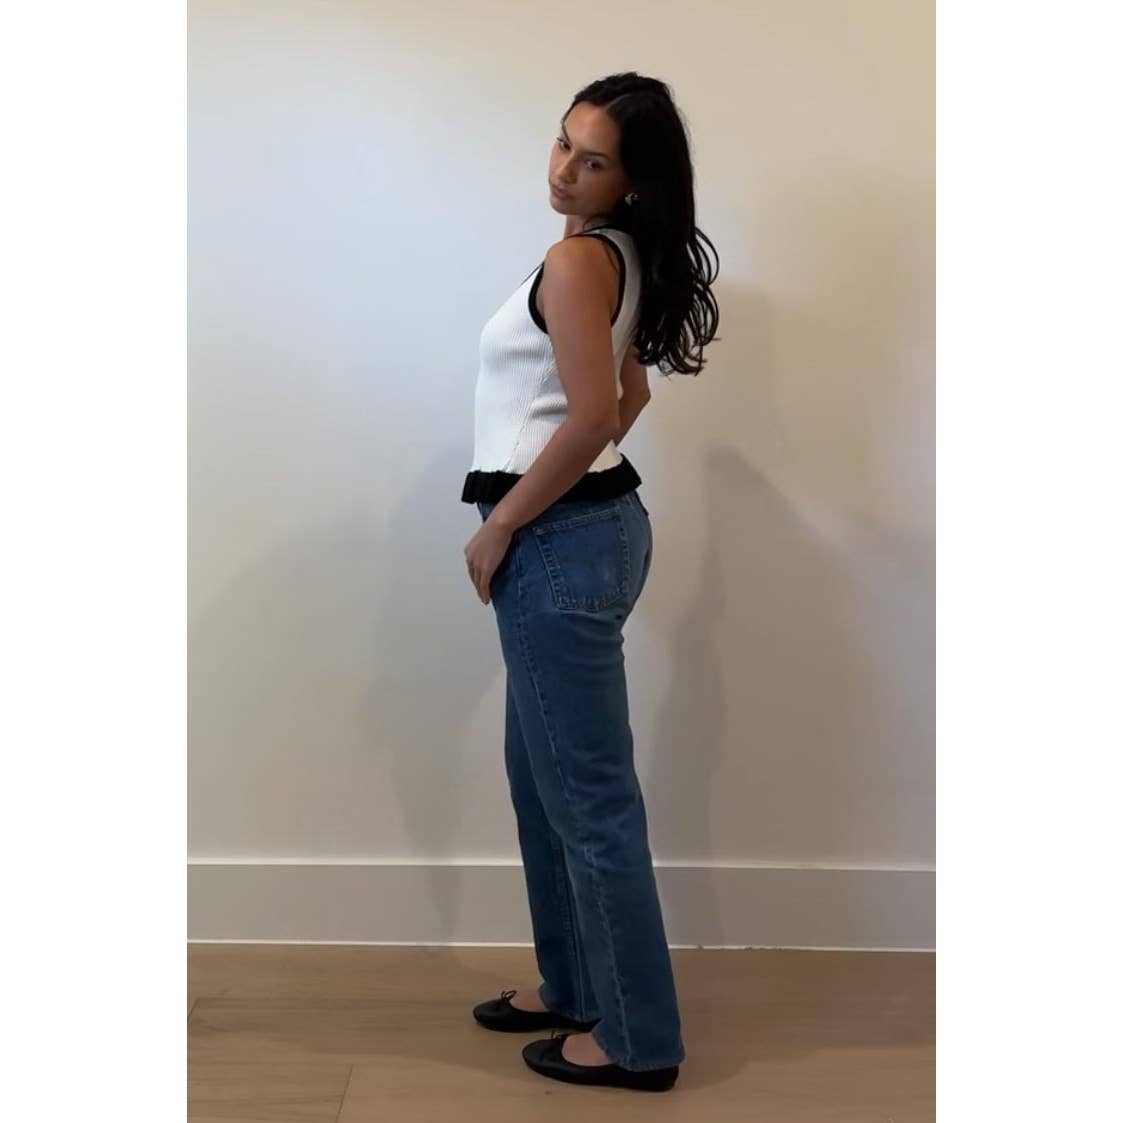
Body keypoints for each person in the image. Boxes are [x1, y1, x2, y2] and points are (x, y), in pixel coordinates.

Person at [461, 71, 720, 1093]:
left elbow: (596, 415)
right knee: (544, 783)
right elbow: (629, 390)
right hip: (596, 527)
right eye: (563, 142)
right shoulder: (617, 254)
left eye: (594, 159)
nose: (565, 169)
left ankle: (637, 1039)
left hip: (556, 539)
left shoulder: (578, 260)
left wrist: (503, 526)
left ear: (631, 180)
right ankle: (575, 986)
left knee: (588, 799)